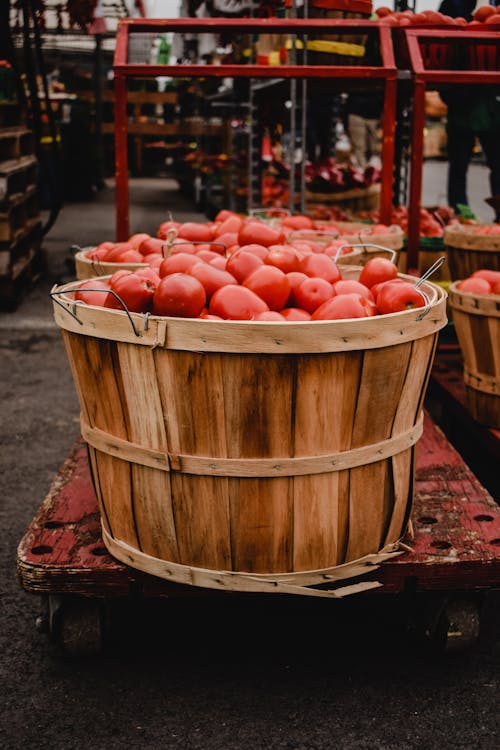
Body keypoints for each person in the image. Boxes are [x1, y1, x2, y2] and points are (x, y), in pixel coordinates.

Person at [440, 86, 500, 222]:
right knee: (459, 169)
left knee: (458, 170)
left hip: (489, 113)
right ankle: (460, 215)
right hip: (471, 113)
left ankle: (460, 213)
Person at [345, 90, 383, 169]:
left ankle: (372, 173)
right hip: (356, 111)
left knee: (374, 148)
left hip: (374, 113)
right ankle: (362, 173)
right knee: (359, 147)